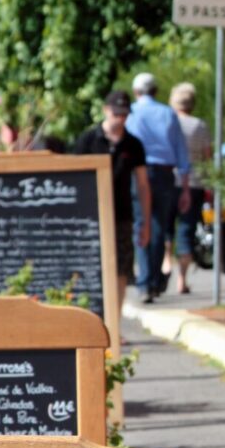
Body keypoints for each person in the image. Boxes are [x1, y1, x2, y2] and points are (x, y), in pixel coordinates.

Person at [69, 91, 152, 302]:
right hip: (90, 217)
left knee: (121, 269)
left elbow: (143, 185)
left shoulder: (133, 144)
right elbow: (71, 179)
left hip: (122, 215)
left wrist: (146, 222)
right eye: (116, 113)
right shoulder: (88, 140)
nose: (120, 118)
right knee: (91, 269)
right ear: (106, 110)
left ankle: (115, 325)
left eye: (124, 114)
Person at [127, 72, 191, 303]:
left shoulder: (132, 113)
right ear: (155, 91)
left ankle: (145, 281)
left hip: (138, 173)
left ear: (136, 92)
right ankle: (152, 281)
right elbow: (181, 152)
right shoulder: (167, 113)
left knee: (141, 224)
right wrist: (184, 187)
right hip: (164, 175)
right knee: (158, 227)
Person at [170, 82, 213, 295]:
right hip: (195, 183)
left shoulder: (169, 123)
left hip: (169, 180)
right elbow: (208, 157)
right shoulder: (199, 126)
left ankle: (165, 264)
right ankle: (181, 279)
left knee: (167, 227)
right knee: (186, 230)